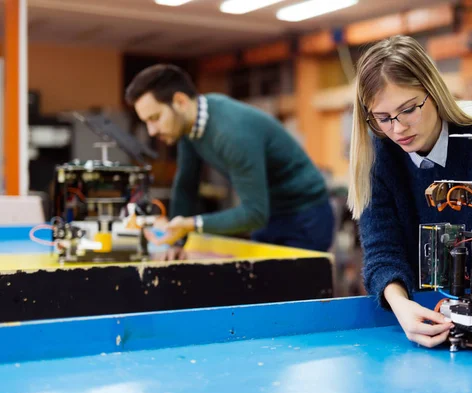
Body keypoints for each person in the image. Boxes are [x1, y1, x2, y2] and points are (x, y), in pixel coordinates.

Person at [347, 35, 472, 352]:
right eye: (383, 118)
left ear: (434, 93)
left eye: (409, 109)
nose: (398, 129)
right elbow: (383, 250)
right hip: (421, 317)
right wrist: (402, 308)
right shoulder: (378, 156)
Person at [124, 64, 334, 258]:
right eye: (146, 122)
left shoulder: (231, 133)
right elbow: (186, 185)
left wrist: (190, 224)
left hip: (305, 214)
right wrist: (178, 241)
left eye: (155, 118)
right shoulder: (189, 128)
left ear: (180, 102)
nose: (151, 131)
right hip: (271, 213)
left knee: (295, 294)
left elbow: (254, 214)